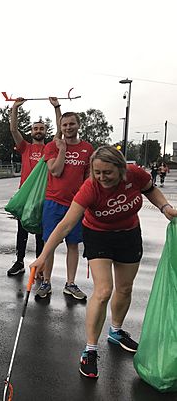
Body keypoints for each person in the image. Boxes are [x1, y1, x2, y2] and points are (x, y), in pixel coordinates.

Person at [30, 146, 177, 379]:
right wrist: (43, 256)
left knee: (125, 287)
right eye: (96, 172)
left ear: (121, 169)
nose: (101, 177)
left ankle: (116, 331)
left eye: (107, 172)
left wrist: (165, 207)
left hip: (129, 233)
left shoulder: (135, 174)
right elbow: (66, 225)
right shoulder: (90, 188)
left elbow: (151, 189)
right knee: (103, 290)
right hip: (97, 234)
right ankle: (90, 349)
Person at [35, 108, 94, 299]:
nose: (68, 127)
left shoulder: (87, 148)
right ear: (61, 127)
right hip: (53, 202)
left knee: (73, 244)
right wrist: (62, 149)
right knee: (49, 244)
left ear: (78, 125)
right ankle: (46, 281)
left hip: (76, 205)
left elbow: (89, 177)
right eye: (65, 124)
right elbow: (56, 171)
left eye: (72, 124)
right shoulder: (52, 146)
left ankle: (70, 283)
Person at [6, 97, 61, 276]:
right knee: (21, 230)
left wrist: (57, 107)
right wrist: (15, 108)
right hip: (25, 195)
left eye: (41, 128)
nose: (38, 131)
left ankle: (40, 264)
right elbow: (13, 129)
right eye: (35, 128)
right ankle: (19, 262)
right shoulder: (25, 148)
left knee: (41, 233)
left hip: (44, 196)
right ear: (31, 132)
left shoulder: (51, 148)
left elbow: (61, 130)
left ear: (45, 131)